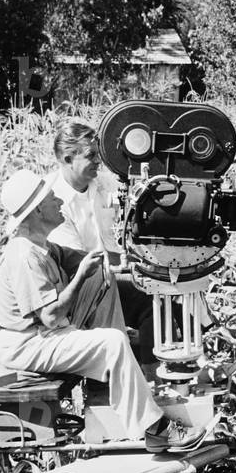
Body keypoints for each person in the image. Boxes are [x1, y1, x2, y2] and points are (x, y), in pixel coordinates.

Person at [0, 168, 203, 452]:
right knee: (113, 341)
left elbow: (89, 262)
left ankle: (108, 382)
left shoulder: (41, 245)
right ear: (39, 210)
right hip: (27, 344)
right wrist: (79, 277)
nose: (60, 203)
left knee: (101, 275)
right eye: (53, 199)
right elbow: (51, 318)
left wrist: (137, 259)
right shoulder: (24, 256)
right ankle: (155, 430)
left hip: (44, 333)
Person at [46, 122, 157, 377]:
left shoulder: (101, 183)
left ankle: (153, 375)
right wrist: (127, 270)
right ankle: (136, 379)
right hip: (76, 289)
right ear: (67, 158)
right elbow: (80, 265)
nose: (99, 162)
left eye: (99, 154)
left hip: (106, 274)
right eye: (91, 156)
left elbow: (118, 234)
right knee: (146, 295)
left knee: (158, 290)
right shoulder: (53, 201)